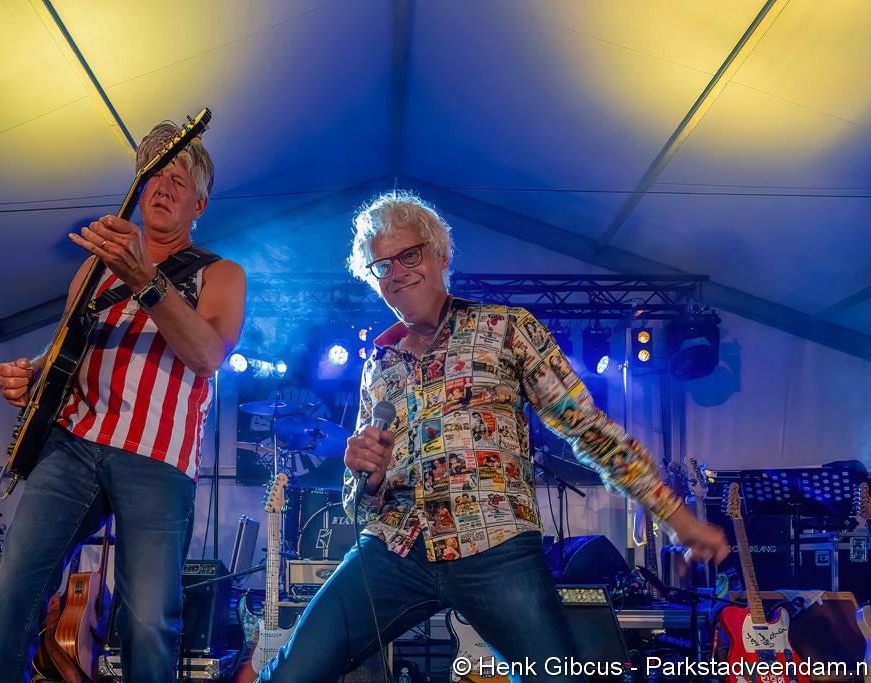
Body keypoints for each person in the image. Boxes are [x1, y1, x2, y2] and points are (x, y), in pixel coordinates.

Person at [254, 191, 727, 682]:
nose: (397, 273)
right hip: (395, 548)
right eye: (382, 266)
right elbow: (360, 502)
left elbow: (589, 429)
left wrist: (676, 517)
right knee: (291, 672)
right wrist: (365, 476)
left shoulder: (506, 328)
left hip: (495, 546)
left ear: (441, 254)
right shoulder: (379, 365)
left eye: (409, 255)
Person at [0, 121, 246, 683]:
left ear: (199, 204)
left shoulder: (220, 273)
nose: (162, 187)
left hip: (157, 459)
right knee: (9, 591)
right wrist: (30, 374)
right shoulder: (92, 268)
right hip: (72, 445)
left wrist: (146, 278)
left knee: (147, 622)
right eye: (153, 176)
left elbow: (207, 355)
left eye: (178, 180)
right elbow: (63, 351)